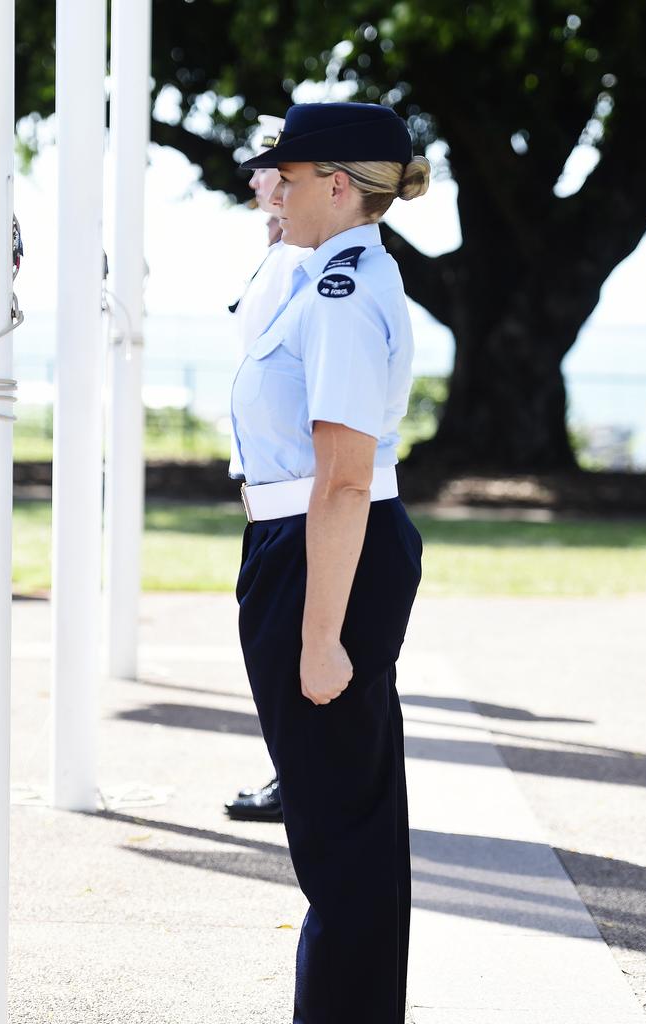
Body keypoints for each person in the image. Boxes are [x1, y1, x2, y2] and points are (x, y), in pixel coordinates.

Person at [232, 101, 429, 1024]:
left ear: (337, 185)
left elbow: (345, 480)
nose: (275, 188)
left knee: (337, 840)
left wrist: (319, 638)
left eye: (291, 175)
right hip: (310, 547)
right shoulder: (327, 275)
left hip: (322, 556)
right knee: (354, 828)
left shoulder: (345, 290)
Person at [225, 115, 311, 824]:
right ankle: (297, 775)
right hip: (270, 488)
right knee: (277, 653)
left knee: (292, 657)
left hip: (297, 495)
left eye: (266, 167)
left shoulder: (306, 263)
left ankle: (300, 779)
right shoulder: (281, 252)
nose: (253, 178)